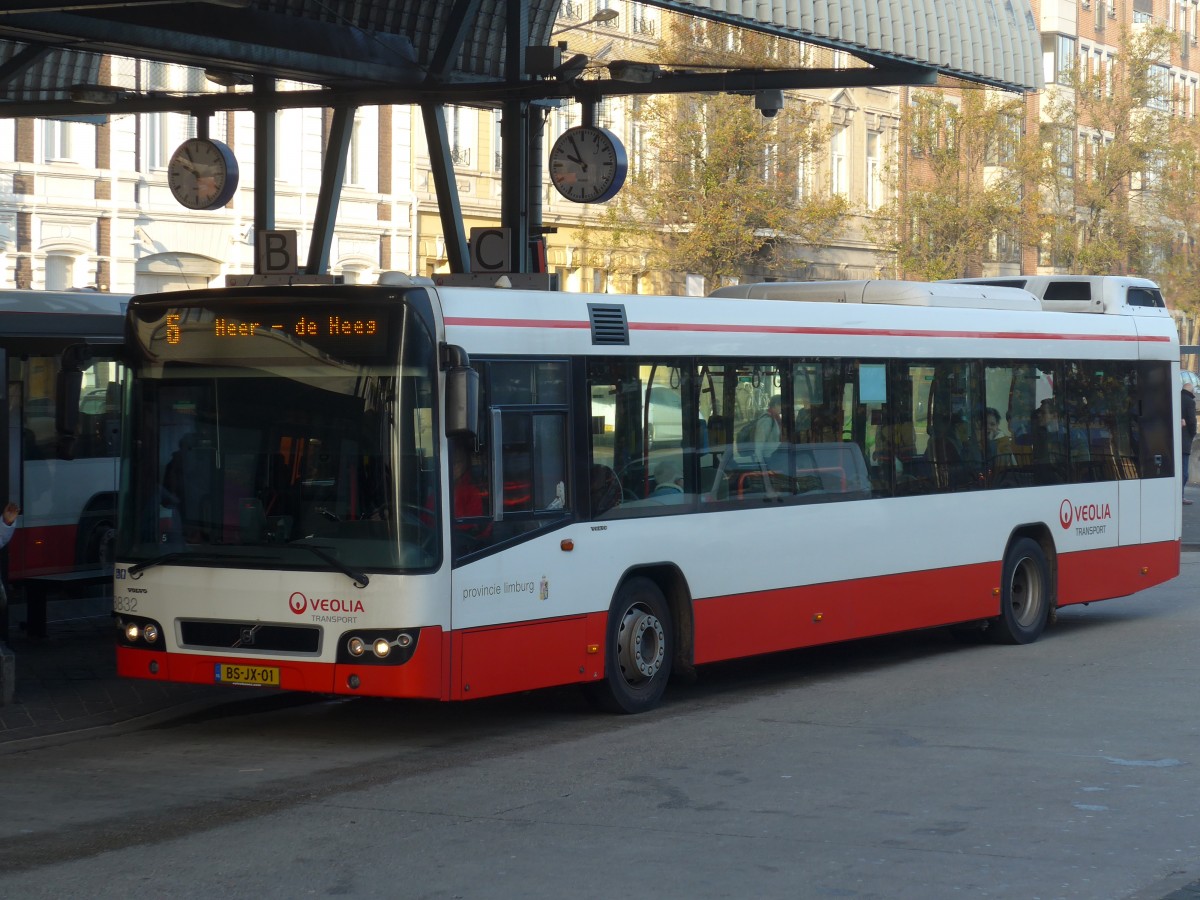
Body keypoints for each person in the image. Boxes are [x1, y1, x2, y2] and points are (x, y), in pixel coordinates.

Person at [1182, 380, 1196, 505]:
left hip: (1172, 442)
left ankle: (1178, 495)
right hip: (1184, 441)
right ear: (1191, 391)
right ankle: (1180, 496)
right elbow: (1192, 421)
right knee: (1184, 473)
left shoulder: (1176, 399)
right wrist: (1192, 433)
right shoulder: (1190, 401)